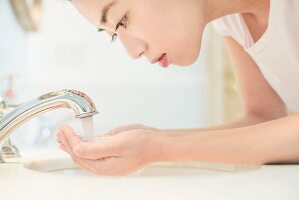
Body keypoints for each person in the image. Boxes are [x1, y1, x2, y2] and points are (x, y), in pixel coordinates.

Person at [56, 0, 299, 176]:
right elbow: (264, 118)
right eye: (114, 34)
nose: (132, 52)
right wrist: (155, 138)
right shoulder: (230, 21)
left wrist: (160, 147)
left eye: (122, 20)